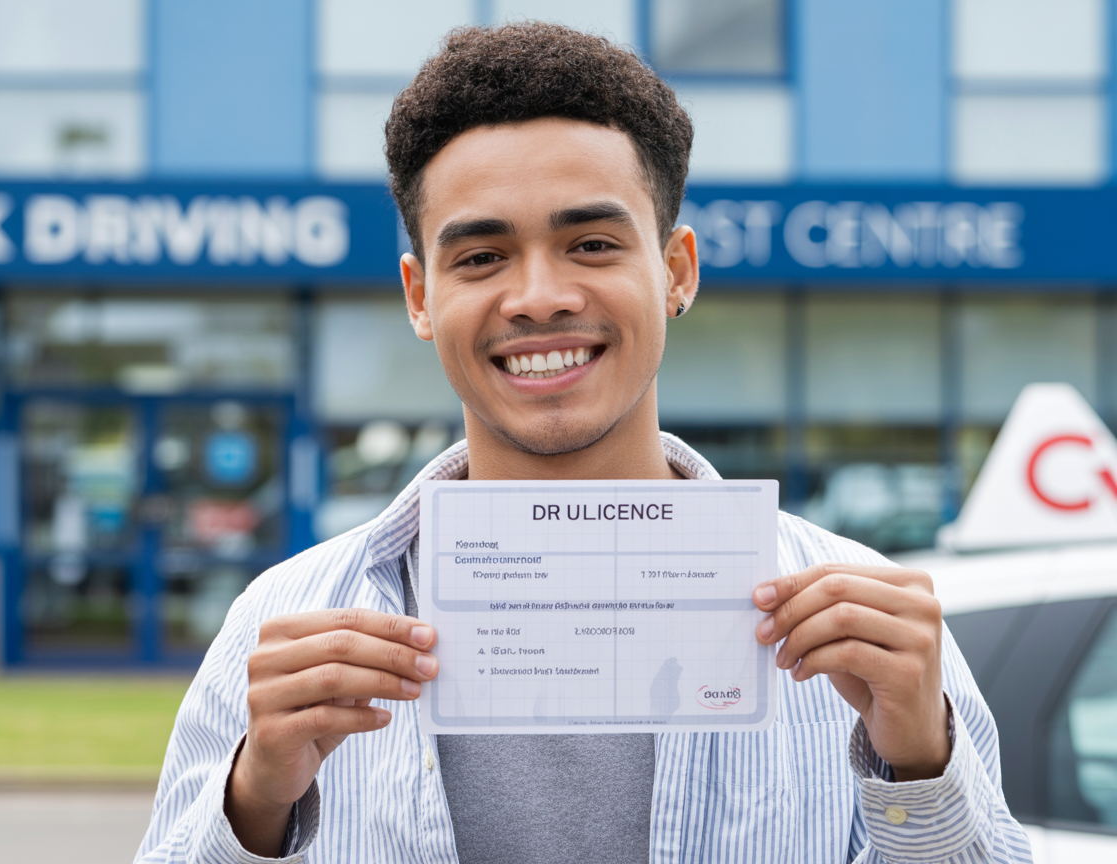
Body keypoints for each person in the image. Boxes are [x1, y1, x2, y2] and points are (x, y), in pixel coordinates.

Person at [137, 23, 1031, 864]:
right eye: (481, 257)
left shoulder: (864, 635)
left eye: (592, 243)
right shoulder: (281, 620)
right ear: (419, 296)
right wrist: (254, 803)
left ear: (675, 270)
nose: (538, 296)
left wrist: (919, 766)